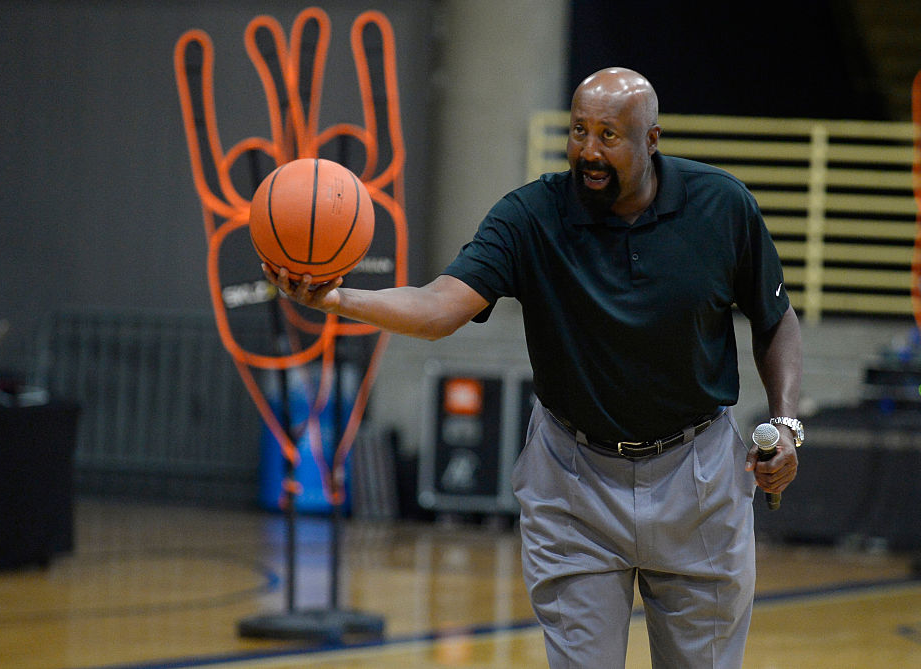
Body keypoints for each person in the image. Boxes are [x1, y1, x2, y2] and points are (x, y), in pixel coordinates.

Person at [264, 67, 803, 668]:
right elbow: (441, 306)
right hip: (574, 481)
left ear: (651, 139)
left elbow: (776, 318)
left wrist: (785, 423)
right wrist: (339, 300)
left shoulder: (721, 206)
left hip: (697, 476)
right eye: (578, 131)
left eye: (608, 135)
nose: (588, 151)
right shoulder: (530, 216)